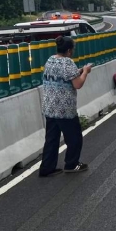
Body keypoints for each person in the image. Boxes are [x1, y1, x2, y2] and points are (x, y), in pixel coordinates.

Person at [39, 36, 91, 177]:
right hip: (64, 108)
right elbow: (77, 84)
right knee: (74, 138)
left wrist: (79, 71)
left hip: (50, 107)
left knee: (51, 139)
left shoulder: (50, 60)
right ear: (69, 50)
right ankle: (71, 164)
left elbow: (64, 76)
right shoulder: (68, 63)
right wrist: (85, 72)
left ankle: (46, 168)